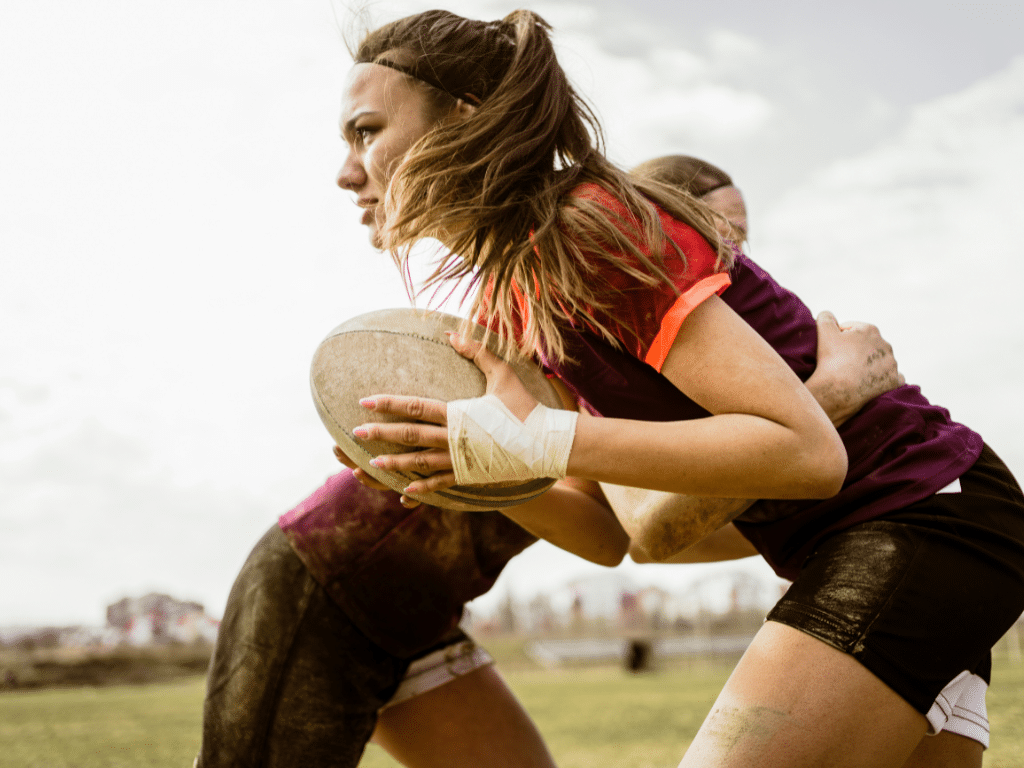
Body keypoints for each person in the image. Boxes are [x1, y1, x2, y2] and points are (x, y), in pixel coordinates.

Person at [194, 15, 905, 768]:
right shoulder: (584, 281)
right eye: (715, 233)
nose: (730, 261)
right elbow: (656, 528)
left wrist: (819, 459)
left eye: (739, 239)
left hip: (423, 606)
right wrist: (825, 398)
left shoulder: (599, 314)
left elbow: (621, 531)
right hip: (325, 576)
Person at [342, 10, 1024, 768]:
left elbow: (807, 452)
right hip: (899, 538)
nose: (346, 169)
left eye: (366, 131)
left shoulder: (582, 226)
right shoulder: (517, 295)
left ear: (462, 121)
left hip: (923, 516)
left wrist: (529, 437)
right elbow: (608, 536)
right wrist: (466, 471)